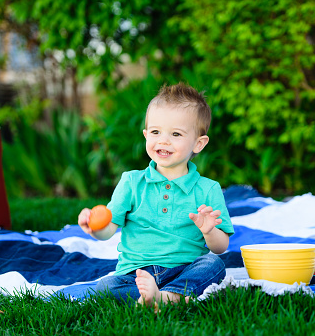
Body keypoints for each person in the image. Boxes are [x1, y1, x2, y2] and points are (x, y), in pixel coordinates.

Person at [78, 83, 234, 307]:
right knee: (105, 287)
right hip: (135, 274)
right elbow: (109, 229)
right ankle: (167, 298)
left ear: (198, 143)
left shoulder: (208, 189)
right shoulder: (131, 182)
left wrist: (209, 230)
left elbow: (220, 246)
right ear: (145, 135)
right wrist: (95, 228)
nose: (163, 140)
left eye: (176, 134)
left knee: (213, 264)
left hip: (184, 268)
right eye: (155, 132)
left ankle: (165, 297)